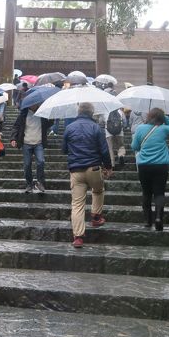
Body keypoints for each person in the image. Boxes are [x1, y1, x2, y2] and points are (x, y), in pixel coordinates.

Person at [63, 102, 112, 248]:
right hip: (94, 168)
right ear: (92, 113)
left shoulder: (69, 127)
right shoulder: (96, 127)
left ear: (78, 112)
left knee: (77, 204)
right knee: (98, 190)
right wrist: (108, 167)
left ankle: (78, 237)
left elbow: (64, 149)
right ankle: (96, 216)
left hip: (76, 170)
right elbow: (104, 150)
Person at [131, 108, 169, 231]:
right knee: (159, 193)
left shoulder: (140, 128)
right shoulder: (163, 129)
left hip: (144, 166)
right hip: (161, 166)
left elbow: (134, 146)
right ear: (161, 118)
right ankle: (158, 218)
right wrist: (165, 117)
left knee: (146, 192)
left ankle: (147, 220)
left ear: (149, 116)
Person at [10, 104, 53, 193]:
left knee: (41, 162)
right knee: (27, 164)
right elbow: (16, 127)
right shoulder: (23, 114)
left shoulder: (42, 114)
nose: (34, 105)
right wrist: (13, 138)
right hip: (26, 143)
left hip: (39, 143)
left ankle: (40, 183)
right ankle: (29, 184)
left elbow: (49, 124)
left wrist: (52, 116)